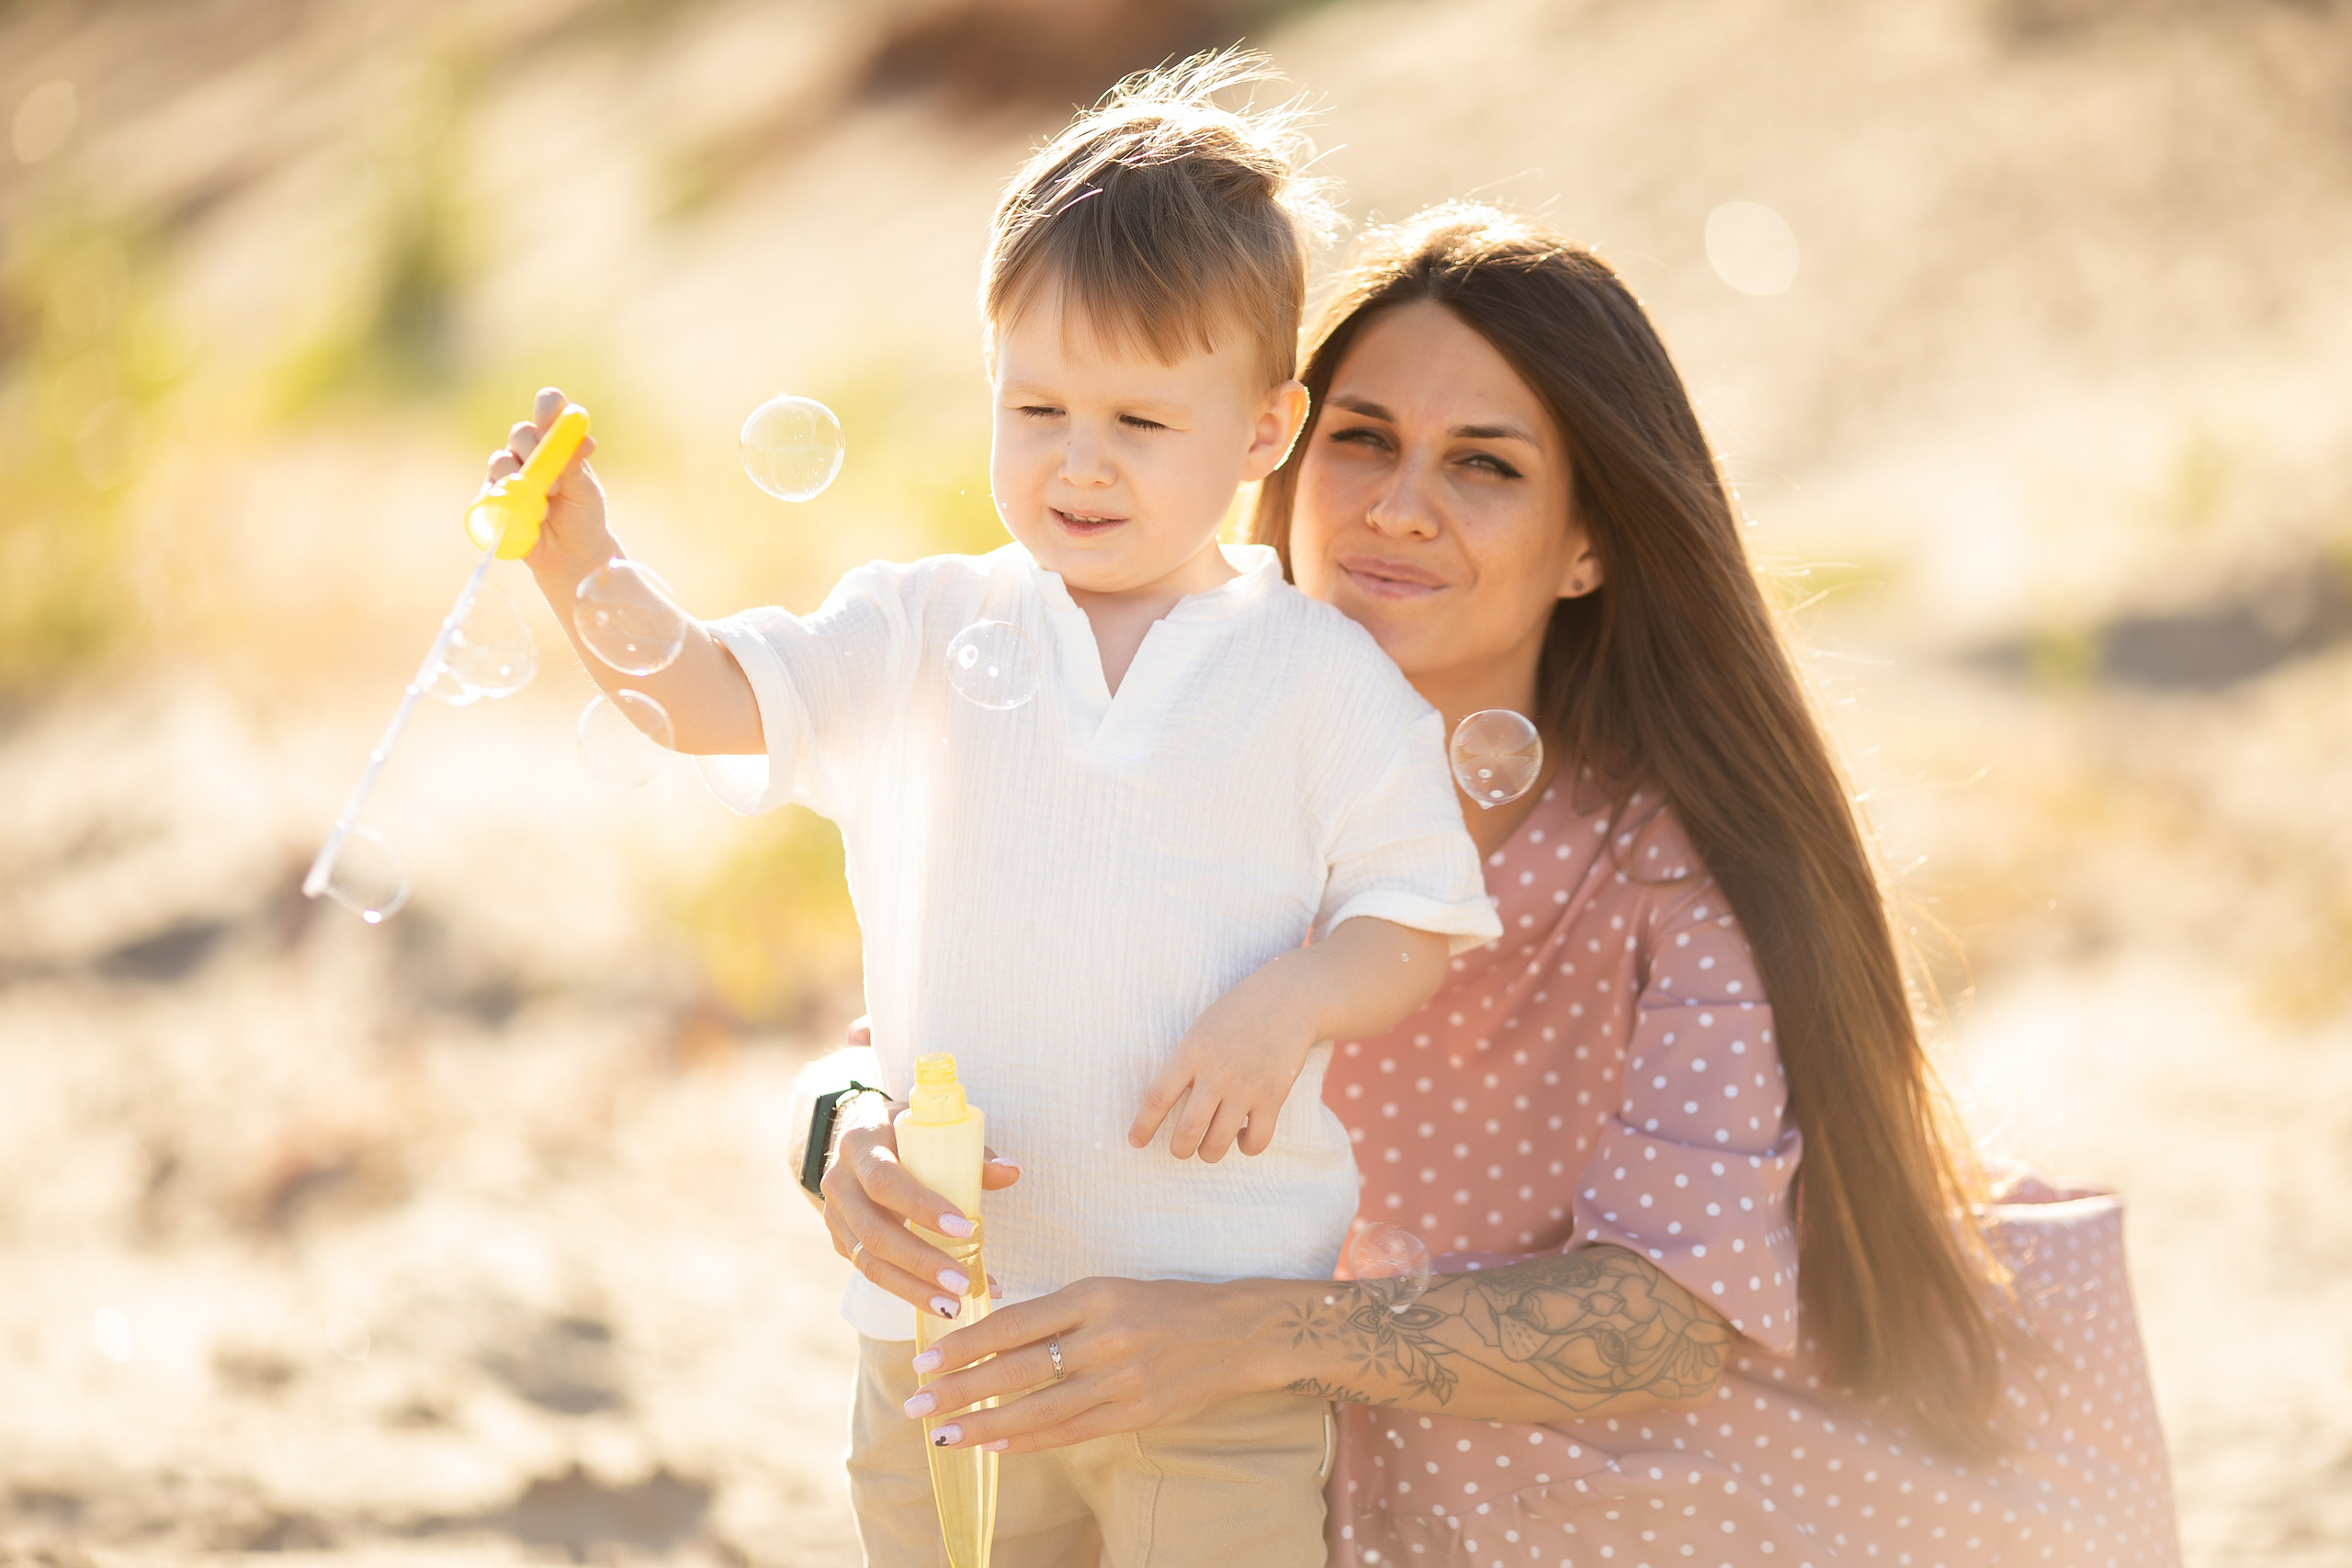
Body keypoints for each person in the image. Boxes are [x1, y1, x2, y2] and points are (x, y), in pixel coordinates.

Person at [820, 204, 2184, 1565]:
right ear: (1278, 453)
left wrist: (1246, 1336)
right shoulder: (1131, 745)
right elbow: (907, 1044)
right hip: (1222, 1458)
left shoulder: (1667, 869)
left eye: (1485, 466)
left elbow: (1665, 1320)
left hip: (1603, 1473)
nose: (1400, 507)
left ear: (1589, 544)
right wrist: (840, 1133)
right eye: (1363, 440)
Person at [493, 56, 1503, 1568]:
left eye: (1138, 423)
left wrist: (1295, 998)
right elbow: (699, 696)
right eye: (1036, 406)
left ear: (1265, 432)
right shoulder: (918, 632)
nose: (1076, 462)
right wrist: (582, 565)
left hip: (1208, 1355)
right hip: (943, 1337)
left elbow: (1412, 919)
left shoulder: (1320, 676)